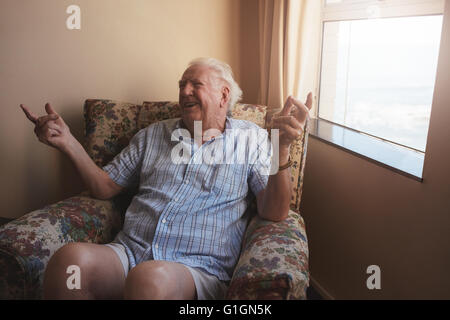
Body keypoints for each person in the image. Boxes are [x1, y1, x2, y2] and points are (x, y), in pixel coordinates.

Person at [20, 57, 312, 300]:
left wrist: (281, 146)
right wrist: (68, 142)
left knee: (150, 279)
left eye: (195, 84)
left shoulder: (253, 140)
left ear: (224, 95)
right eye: (181, 85)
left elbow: (274, 211)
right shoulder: (153, 134)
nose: (184, 91)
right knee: (70, 262)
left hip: (196, 269)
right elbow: (104, 186)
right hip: (130, 253)